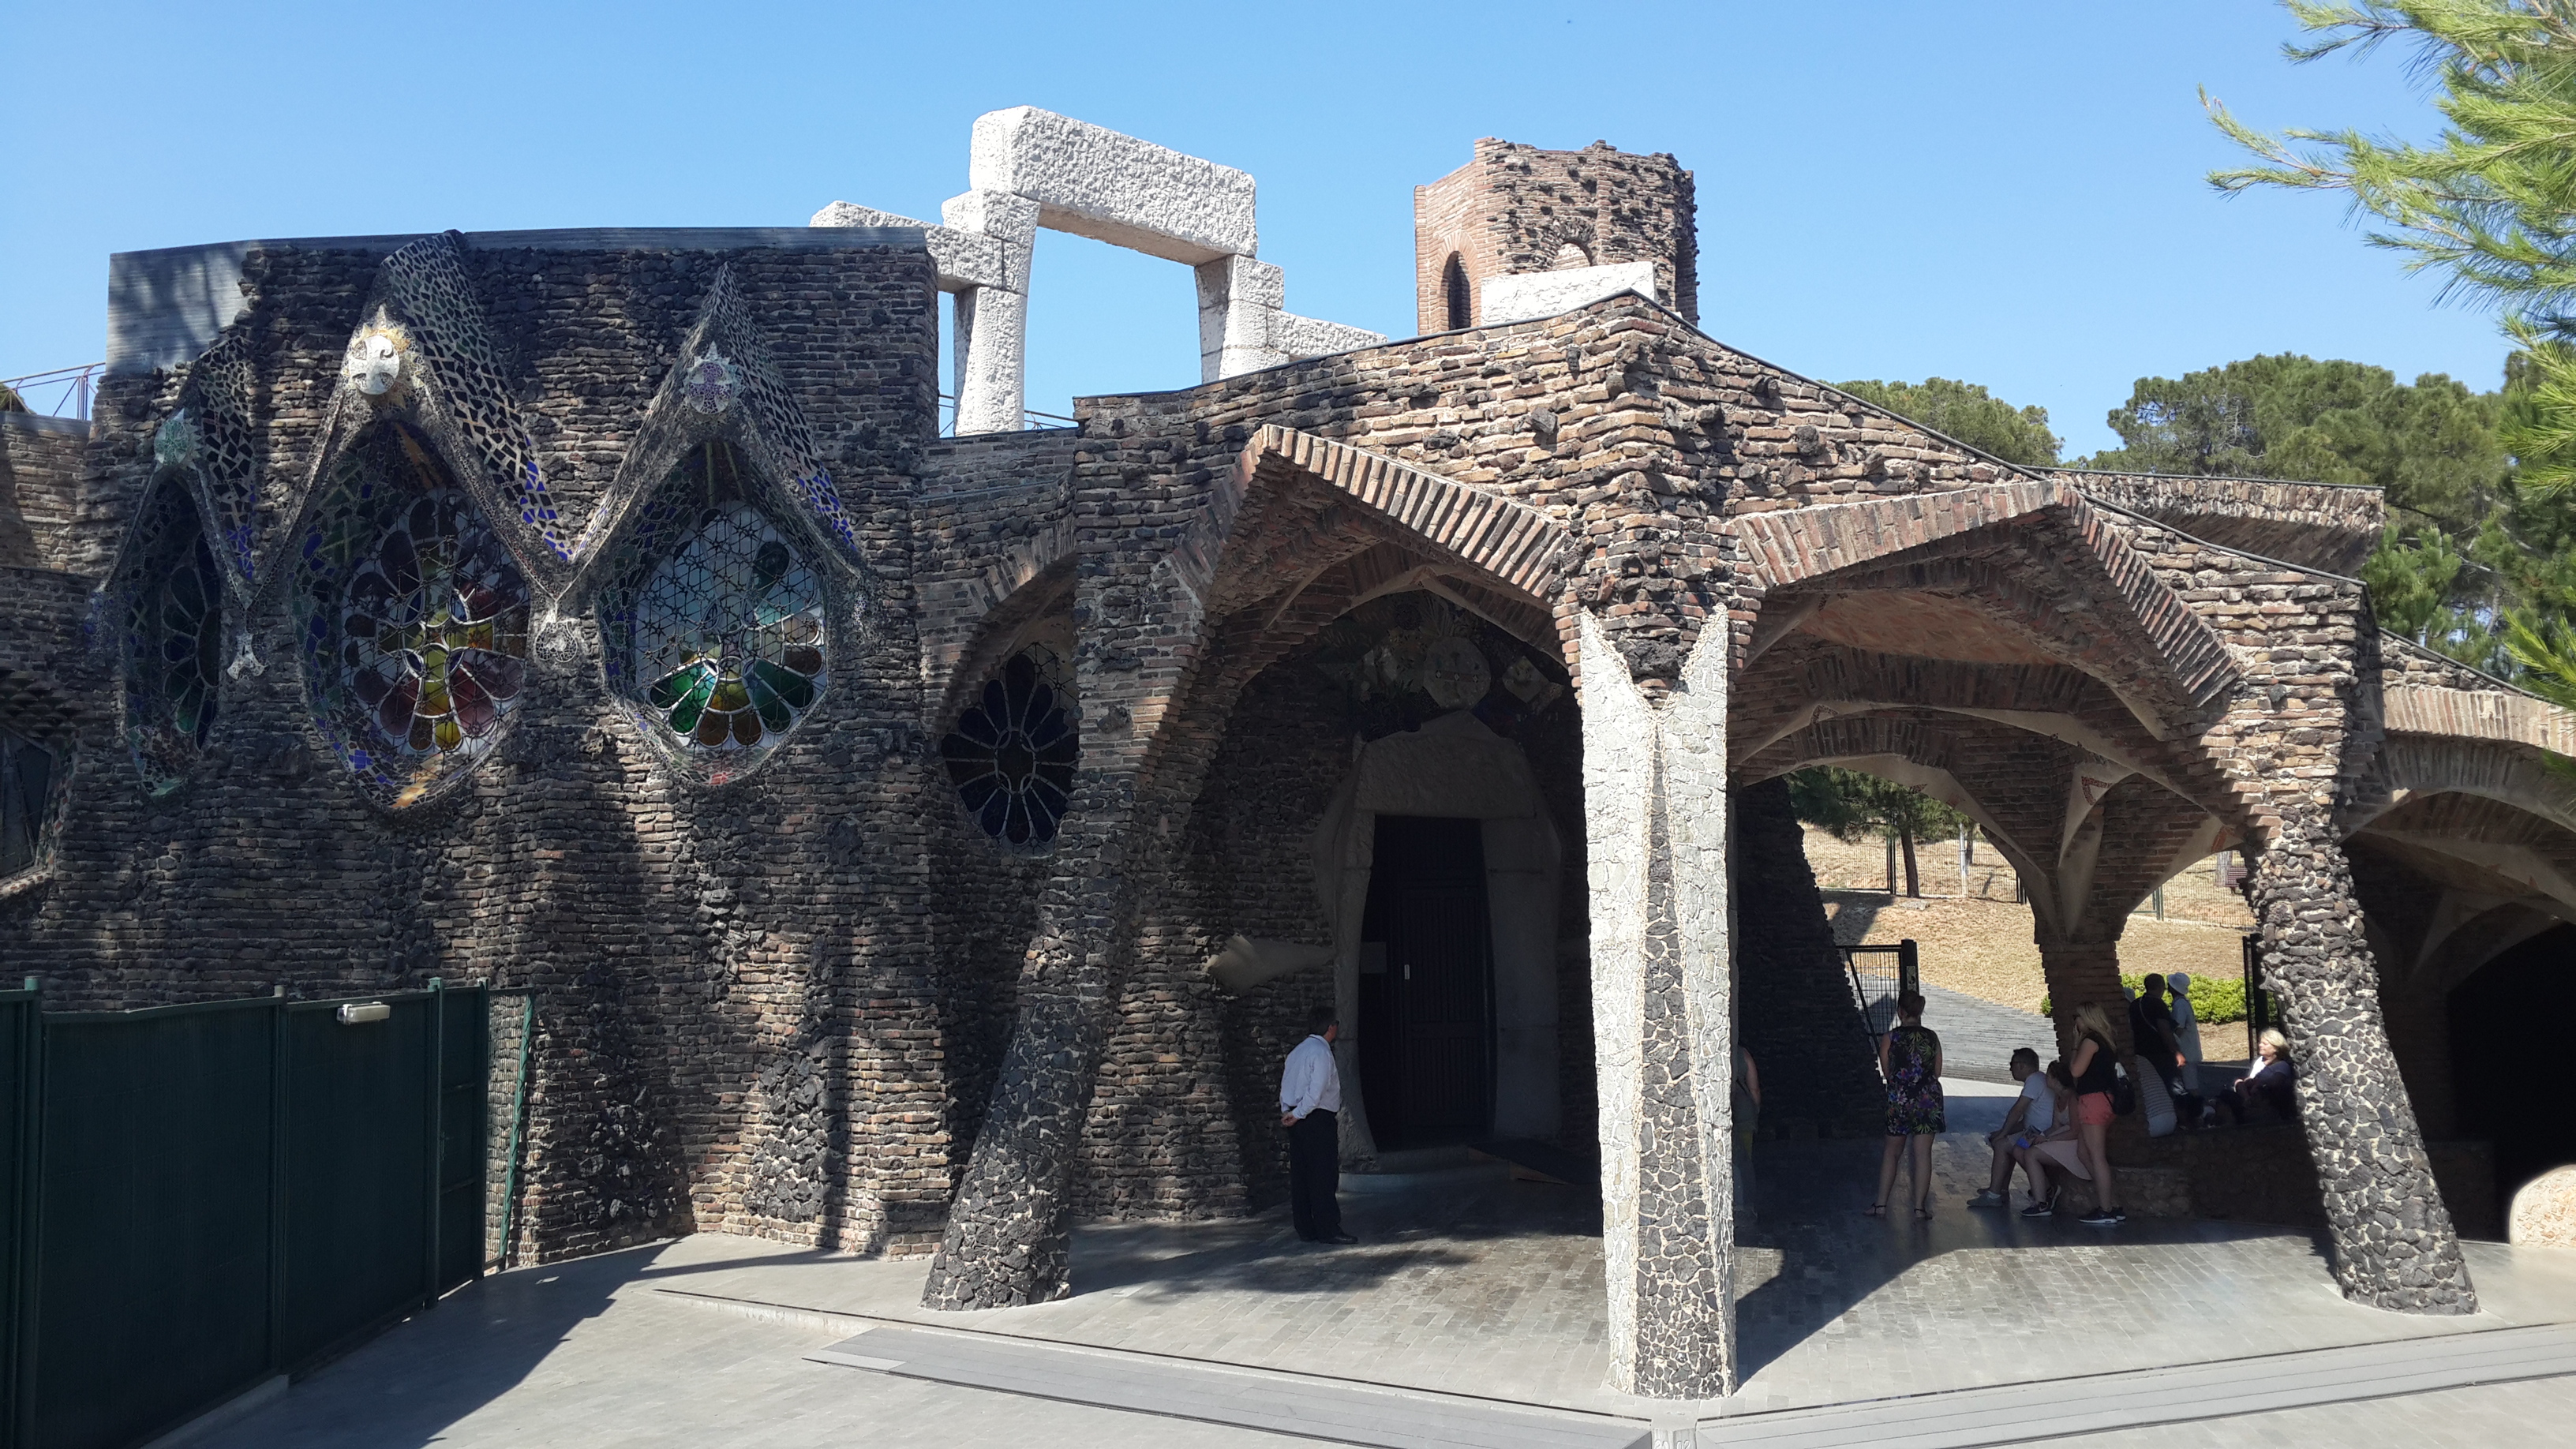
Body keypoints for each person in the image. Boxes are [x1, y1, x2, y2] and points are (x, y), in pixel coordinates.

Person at [1279, 1005, 1355, 1244]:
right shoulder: (1321, 1053)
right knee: (1323, 1174)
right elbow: (1317, 1091)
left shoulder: (1297, 1052)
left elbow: (1286, 1086)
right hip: (1316, 1117)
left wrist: (1288, 1112)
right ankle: (1327, 1228)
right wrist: (1300, 1113)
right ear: (1331, 1027)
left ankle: (1305, 1227)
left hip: (1296, 1117)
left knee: (1301, 1174)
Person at [1866, 991, 1943, 1220]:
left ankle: (1881, 1205)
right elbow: (1937, 1071)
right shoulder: (1932, 1037)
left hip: (1899, 1099)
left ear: (1900, 1011)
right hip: (1928, 1100)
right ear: (1919, 1012)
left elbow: (1887, 1071)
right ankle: (1919, 1208)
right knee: (1923, 1155)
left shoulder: (1890, 1037)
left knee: (1892, 1152)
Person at [2064, 1002, 2125, 1225]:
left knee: (2097, 1156)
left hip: (2093, 1101)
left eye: (2077, 1018)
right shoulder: (2107, 1041)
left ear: (2087, 1018)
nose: (2075, 1022)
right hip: (2106, 1100)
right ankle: (2112, 1202)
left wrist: (2074, 1046)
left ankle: (2106, 1209)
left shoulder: (2090, 1041)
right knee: (2083, 1152)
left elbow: (2075, 1071)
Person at [1969, 1047, 2050, 1208]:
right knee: (2007, 1141)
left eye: (2011, 1065)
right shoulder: (2038, 1079)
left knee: (2002, 1144)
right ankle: (2001, 1188)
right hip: (2034, 1131)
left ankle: (1994, 1194)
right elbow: (2026, 1121)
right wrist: (2003, 1132)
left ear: (2021, 1066)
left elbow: (2017, 1110)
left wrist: (2003, 1134)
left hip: (2038, 1134)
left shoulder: (2034, 1080)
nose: (2010, 1069)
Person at [2016, 1060, 2092, 1216]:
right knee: (2021, 1148)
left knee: (2031, 1154)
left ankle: (2041, 1203)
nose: (2046, 1079)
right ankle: (2045, 1189)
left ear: (2056, 1079)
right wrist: (2042, 1136)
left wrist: (2048, 1140)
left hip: (2074, 1141)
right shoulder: (2058, 1098)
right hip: (2062, 1136)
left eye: (2049, 1076)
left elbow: (2075, 1131)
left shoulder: (2072, 1098)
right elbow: (2055, 1126)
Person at [2215, 1028, 2298, 1126]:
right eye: (2260, 1043)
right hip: (2249, 1093)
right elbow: (2251, 1078)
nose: (2260, 1045)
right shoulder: (2259, 1061)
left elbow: (2276, 1083)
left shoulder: (2282, 1066)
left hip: (2263, 1098)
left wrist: (2258, 1084)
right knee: (2229, 1091)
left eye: (2265, 1044)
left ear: (2276, 1048)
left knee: (2227, 1098)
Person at [2167, 971, 2204, 1095]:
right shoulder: (2183, 1002)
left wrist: (2172, 1044)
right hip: (2189, 1052)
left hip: (2186, 1052)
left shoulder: (2180, 1005)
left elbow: (2179, 1028)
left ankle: (2197, 1106)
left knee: (2191, 1086)